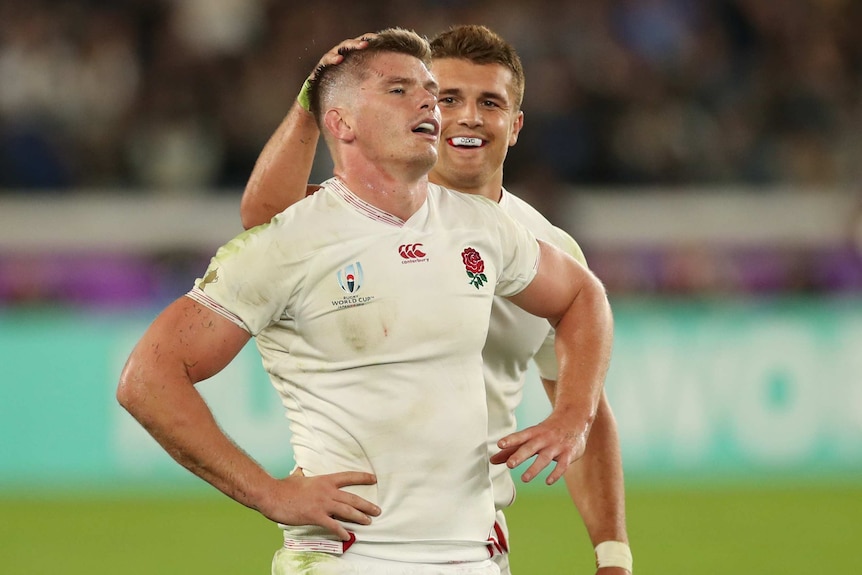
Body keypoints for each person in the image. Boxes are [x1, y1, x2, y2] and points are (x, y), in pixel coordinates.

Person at [117, 28, 614, 575]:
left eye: (430, 90)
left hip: (473, 555)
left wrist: (572, 414)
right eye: (400, 90)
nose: (429, 102)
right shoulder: (288, 242)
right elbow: (149, 377)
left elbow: (583, 295)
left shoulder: (482, 228)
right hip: (350, 556)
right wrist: (267, 492)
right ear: (342, 122)